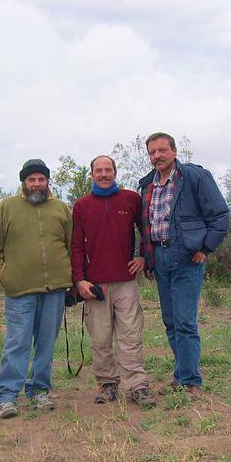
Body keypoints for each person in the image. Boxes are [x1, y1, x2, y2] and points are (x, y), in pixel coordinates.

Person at [138, 133, 229, 397]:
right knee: (170, 322)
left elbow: (220, 215)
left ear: (174, 151)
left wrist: (206, 248)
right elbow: (145, 226)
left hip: (187, 257)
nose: (157, 156)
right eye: (152, 152)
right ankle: (181, 377)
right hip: (160, 258)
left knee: (185, 321)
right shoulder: (147, 185)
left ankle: (191, 381)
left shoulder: (194, 177)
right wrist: (147, 256)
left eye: (162, 150)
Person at [0, 159, 72, 419]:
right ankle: (7, 396)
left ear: (48, 181)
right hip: (20, 290)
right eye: (31, 179)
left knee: (47, 343)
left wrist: (68, 277)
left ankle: (39, 391)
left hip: (55, 290)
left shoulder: (61, 209)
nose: (36, 184)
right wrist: (5, 276)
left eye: (41, 179)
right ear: (23, 182)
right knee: (17, 342)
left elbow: (71, 245)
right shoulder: (6, 208)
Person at [71, 155, 156, 408]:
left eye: (108, 170)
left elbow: (147, 231)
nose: (104, 174)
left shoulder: (130, 199)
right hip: (95, 285)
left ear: (115, 172)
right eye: (99, 170)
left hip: (126, 281)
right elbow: (75, 246)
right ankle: (107, 384)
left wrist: (143, 257)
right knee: (100, 337)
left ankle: (137, 386)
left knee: (130, 336)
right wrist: (79, 281)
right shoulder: (82, 206)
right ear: (92, 174)